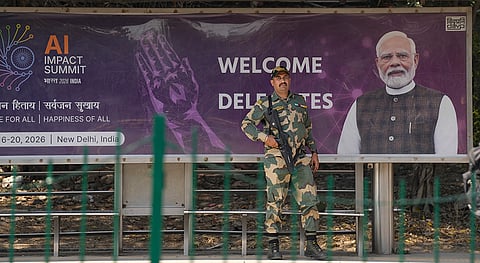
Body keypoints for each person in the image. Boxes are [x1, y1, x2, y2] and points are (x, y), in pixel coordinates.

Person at [241, 66, 326, 260]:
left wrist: (313, 151)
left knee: (310, 201)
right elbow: (246, 124)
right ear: (272, 82)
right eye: (278, 78)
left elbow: (307, 128)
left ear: (290, 80)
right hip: (276, 159)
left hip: (300, 158)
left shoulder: (300, 101)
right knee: (275, 201)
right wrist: (264, 137)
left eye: (285, 77)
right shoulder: (265, 104)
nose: (282, 81)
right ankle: (273, 246)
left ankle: (311, 244)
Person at [337, 31, 458, 155]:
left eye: (402, 55)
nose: (394, 63)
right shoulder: (361, 105)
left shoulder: (440, 103)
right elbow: (346, 159)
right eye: (387, 57)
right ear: (378, 63)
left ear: (415, 60)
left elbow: (446, 161)